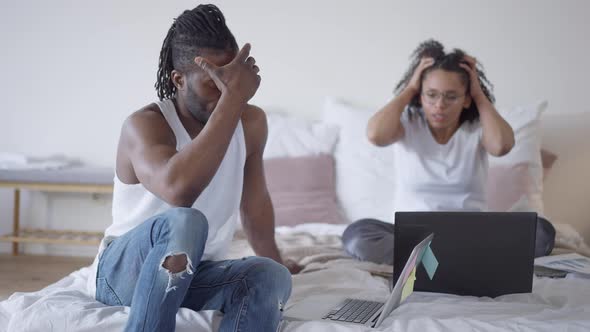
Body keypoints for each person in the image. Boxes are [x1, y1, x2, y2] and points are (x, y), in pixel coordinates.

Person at [86, 4, 300, 332]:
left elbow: (254, 206)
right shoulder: (145, 125)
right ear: (179, 79)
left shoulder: (251, 122)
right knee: (186, 221)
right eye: (213, 82)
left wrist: (277, 259)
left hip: (191, 273)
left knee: (270, 275)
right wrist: (233, 100)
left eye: (230, 78)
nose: (226, 91)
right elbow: (179, 190)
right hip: (122, 275)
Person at [342, 40, 555, 265]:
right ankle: (459, 261)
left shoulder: (478, 127)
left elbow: (502, 146)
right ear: (420, 96)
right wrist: (411, 88)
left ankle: (434, 262)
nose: (439, 105)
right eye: (431, 95)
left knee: (541, 232)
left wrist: (479, 95)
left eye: (451, 96)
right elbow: (375, 135)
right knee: (358, 235)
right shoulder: (408, 121)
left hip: (471, 233)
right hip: (413, 235)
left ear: (465, 100)